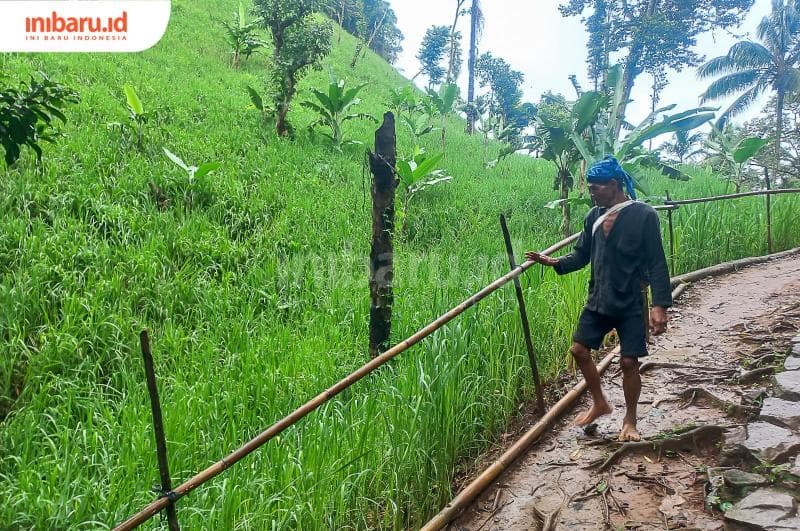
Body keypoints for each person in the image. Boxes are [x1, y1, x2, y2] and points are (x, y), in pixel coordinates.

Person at [525, 156, 671, 442]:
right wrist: (553, 262)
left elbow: (657, 262)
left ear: (613, 185)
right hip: (598, 299)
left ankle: (630, 420)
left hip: (630, 301)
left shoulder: (644, 215)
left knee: (629, 363)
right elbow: (582, 254)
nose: (591, 193)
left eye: (595, 188)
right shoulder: (593, 216)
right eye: (590, 188)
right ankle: (600, 402)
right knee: (579, 350)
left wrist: (659, 305)